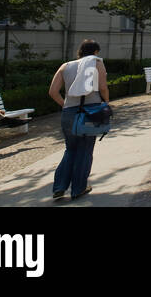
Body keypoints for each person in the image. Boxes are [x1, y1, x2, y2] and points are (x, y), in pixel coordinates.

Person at [48, 39, 108, 201]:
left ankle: (59, 187)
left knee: (70, 149)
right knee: (85, 150)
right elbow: (102, 87)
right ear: (95, 52)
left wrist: (66, 105)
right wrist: (106, 103)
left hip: (68, 113)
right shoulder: (96, 63)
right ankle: (78, 189)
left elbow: (53, 92)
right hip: (89, 112)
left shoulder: (65, 66)